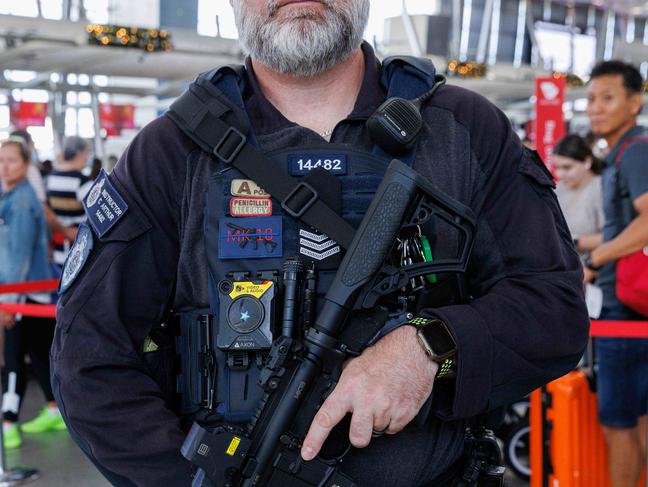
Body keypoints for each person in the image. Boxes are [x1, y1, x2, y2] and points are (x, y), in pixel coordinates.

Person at [51, 1, 589, 485]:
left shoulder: (464, 131)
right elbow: (89, 359)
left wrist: (429, 348)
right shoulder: (171, 152)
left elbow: (554, 307)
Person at [584, 60, 648, 487]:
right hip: (627, 305)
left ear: (635, 101)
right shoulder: (623, 152)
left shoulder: (637, 149)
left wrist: (596, 260)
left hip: (623, 310)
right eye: (591, 99)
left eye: (608, 98)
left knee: (619, 423)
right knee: (636, 420)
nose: (595, 108)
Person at [0, 138, 65, 450]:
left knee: (13, 357)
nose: (4, 167)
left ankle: (8, 422)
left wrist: (8, 303)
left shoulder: (23, 201)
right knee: (39, 353)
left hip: (24, 292)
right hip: (31, 291)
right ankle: (55, 409)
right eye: (1, 160)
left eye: (11, 161)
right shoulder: (10, 194)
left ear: (26, 165)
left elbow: (19, 258)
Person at [45, 136, 94, 269]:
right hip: (80, 251)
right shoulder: (83, 183)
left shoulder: (51, 179)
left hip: (58, 249)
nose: (87, 158)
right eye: (87, 153)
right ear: (79, 153)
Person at [552, 134, 604, 258]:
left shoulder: (601, 188)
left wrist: (573, 241)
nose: (560, 174)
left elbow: (613, 236)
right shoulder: (557, 190)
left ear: (587, 161)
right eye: (557, 168)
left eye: (567, 167)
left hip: (592, 269)